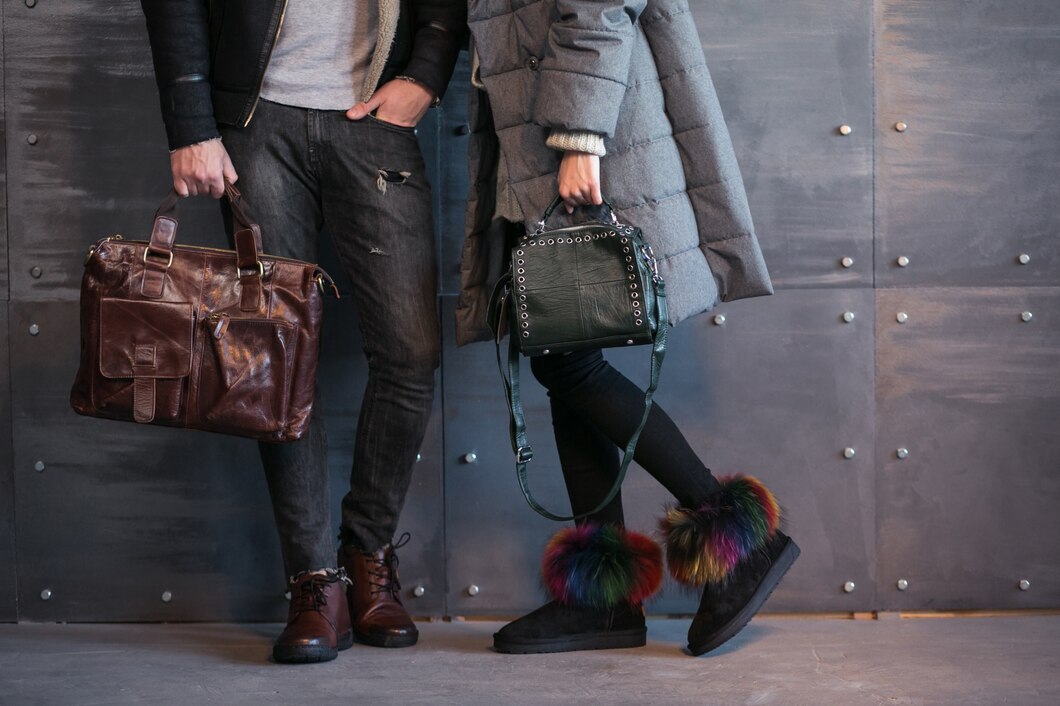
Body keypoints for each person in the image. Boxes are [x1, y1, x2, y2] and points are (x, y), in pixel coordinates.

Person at [458, 0, 800, 655]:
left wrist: (580, 135)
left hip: (582, 129)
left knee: (565, 357)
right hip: (535, 132)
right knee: (560, 350)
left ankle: (740, 545)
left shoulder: (578, 133)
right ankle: (604, 599)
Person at [140, 0, 465, 663]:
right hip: (255, 122)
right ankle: (315, 582)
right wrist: (190, 126)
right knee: (275, 362)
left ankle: (367, 555)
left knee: (410, 350)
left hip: (373, 118)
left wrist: (427, 74)